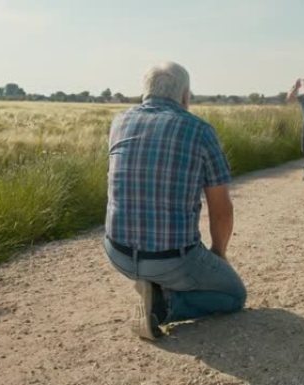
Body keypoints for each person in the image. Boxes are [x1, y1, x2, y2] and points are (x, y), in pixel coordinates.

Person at [103, 62, 246, 340]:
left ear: (144, 92)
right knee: (234, 294)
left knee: (165, 263)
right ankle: (161, 305)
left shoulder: (119, 122)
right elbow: (221, 209)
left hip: (117, 252)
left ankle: (153, 284)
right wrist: (218, 254)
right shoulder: (201, 130)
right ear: (185, 96)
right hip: (170, 260)